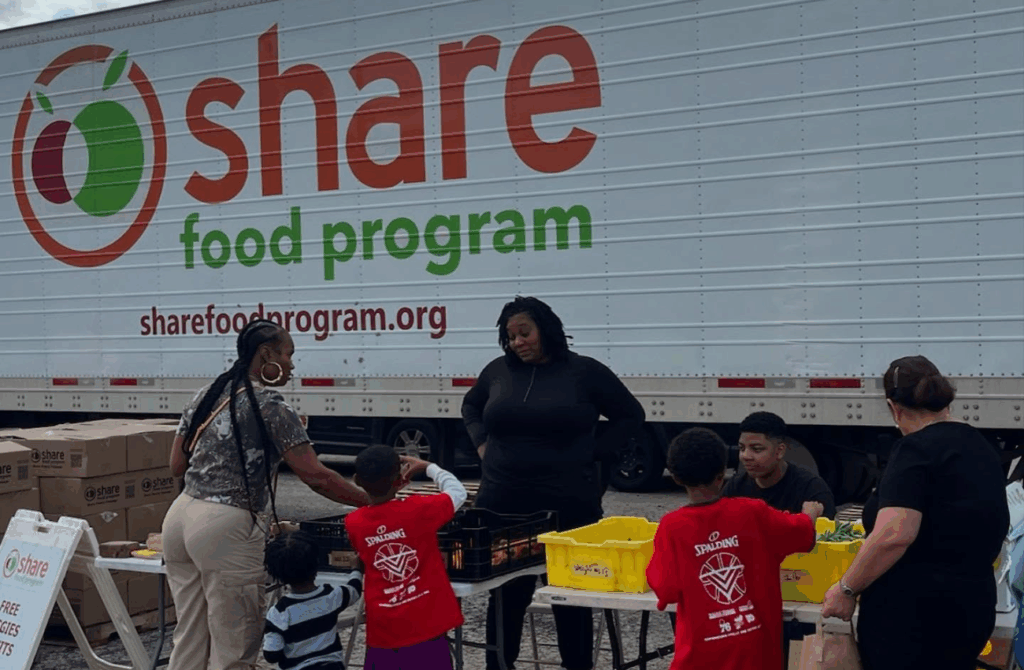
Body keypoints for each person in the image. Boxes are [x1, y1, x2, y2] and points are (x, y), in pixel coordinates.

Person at [163, 319, 369, 670]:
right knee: (234, 645)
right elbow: (315, 476)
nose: (292, 364)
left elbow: (176, 466)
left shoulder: (206, 394)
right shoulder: (271, 405)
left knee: (190, 637)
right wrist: (371, 501)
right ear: (266, 355)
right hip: (223, 525)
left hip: (180, 519)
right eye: (289, 355)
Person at [461, 295, 646, 670]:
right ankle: (499, 666)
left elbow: (631, 416)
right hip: (502, 503)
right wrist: (481, 443)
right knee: (506, 594)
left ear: (546, 330)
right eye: (510, 337)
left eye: (524, 333)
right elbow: (470, 405)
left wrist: (593, 453)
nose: (518, 343)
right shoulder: (497, 371)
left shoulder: (585, 372)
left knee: (571, 594)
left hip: (568, 504)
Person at [821, 355, 1010, 670]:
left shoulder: (915, 451)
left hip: (914, 621)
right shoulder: (979, 446)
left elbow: (894, 535)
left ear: (894, 408)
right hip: (971, 609)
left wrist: (846, 588)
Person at [646, 427, 824, 670]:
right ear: (723, 473)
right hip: (757, 653)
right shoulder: (753, 512)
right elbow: (802, 534)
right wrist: (810, 513)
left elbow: (665, 590)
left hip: (701, 656)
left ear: (676, 478)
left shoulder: (671, 527)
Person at [344, 446, 467, 670]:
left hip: (384, 630)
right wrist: (429, 467)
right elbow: (457, 492)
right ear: (400, 481)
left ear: (357, 480)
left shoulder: (353, 523)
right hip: (427, 624)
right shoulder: (419, 510)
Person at [263, 530, 364, 670]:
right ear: (317, 564)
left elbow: (271, 654)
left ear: (277, 574)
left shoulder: (279, 612)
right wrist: (356, 569)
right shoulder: (331, 596)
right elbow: (354, 590)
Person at [721, 411, 836, 519]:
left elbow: (828, 536)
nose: (745, 456)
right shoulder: (735, 488)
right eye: (742, 448)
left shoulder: (811, 490)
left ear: (780, 451)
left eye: (756, 449)